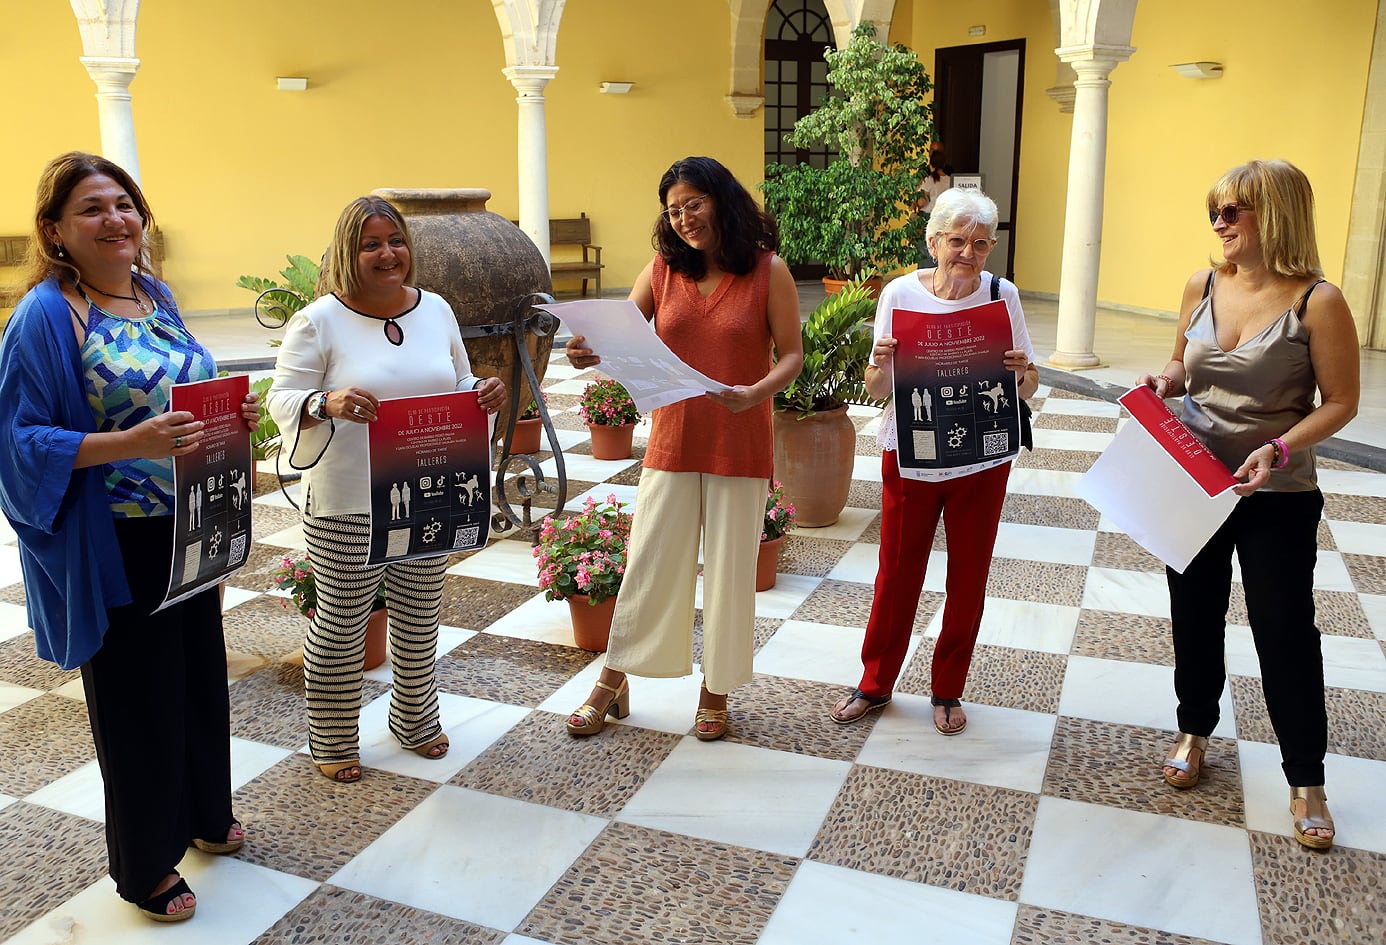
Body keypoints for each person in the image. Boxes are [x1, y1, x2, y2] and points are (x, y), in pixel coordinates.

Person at [0, 151, 260, 922]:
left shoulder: (156, 293)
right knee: (135, 700)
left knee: (197, 678)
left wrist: (231, 420)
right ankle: (144, 863)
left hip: (192, 522)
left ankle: (207, 814)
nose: (115, 219)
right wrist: (128, 444)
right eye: (91, 209)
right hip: (113, 542)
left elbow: (186, 389)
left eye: (123, 204)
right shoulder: (46, 316)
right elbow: (18, 440)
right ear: (54, 231)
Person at [1138, 159, 1359, 851]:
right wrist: (1162, 380)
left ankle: (1306, 780)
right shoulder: (1200, 283)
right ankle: (1194, 727)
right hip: (1196, 479)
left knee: (1285, 631)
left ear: (1278, 215)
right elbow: (1181, 366)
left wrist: (1280, 448)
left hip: (1277, 492)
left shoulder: (1317, 301)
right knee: (1193, 612)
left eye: (1235, 211)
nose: (1220, 222)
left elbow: (1342, 402)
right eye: (1216, 210)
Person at [563, 156, 803, 740]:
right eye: (673, 211)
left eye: (694, 203)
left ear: (722, 200)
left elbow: (792, 356)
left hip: (739, 438)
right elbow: (620, 335)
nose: (684, 219)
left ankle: (715, 688)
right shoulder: (663, 271)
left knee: (729, 570)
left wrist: (756, 394)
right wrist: (587, 351)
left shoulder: (769, 272)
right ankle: (613, 680)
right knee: (649, 563)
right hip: (673, 439)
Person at [267, 196, 506, 783]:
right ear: (349, 253)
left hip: (428, 487)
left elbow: (454, 379)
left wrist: (481, 391)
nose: (386, 253)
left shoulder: (436, 309)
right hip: (348, 500)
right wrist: (328, 402)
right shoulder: (318, 320)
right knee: (343, 620)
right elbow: (280, 400)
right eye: (370, 244)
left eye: (395, 240)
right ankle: (331, 735)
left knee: (421, 611)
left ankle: (415, 719)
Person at [830, 188, 1038, 734]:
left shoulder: (1001, 294)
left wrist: (1020, 372)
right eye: (956, 240)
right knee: (896, 572)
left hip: (981, 458)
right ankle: (874, 684)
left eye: (980, 243)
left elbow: (1029, 384)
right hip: (913, 451)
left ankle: (948, 689)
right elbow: (877, 388)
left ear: (990, 248)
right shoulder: (899, 293)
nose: (967, 253)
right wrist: (878, 364)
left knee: (969, 576)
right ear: (932, 241)